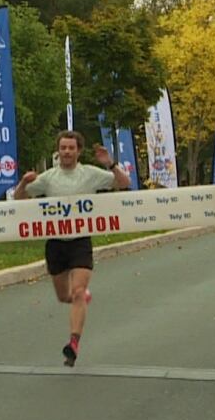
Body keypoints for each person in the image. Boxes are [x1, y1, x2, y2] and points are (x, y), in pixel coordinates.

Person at [14, 130, 131, 367]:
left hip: (80, 241)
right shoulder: (48, 178)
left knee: (77, 292)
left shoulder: (90, 174)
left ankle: (73, 344)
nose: (67, 152)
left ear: (78, 151)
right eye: (63, 148)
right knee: (64, 296)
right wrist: (24, 182)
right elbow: (19, 200)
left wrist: (110, 164)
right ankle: (78, 298)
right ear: (58, 151)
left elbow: (124, 183)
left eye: (71, 148)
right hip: (56, 243)